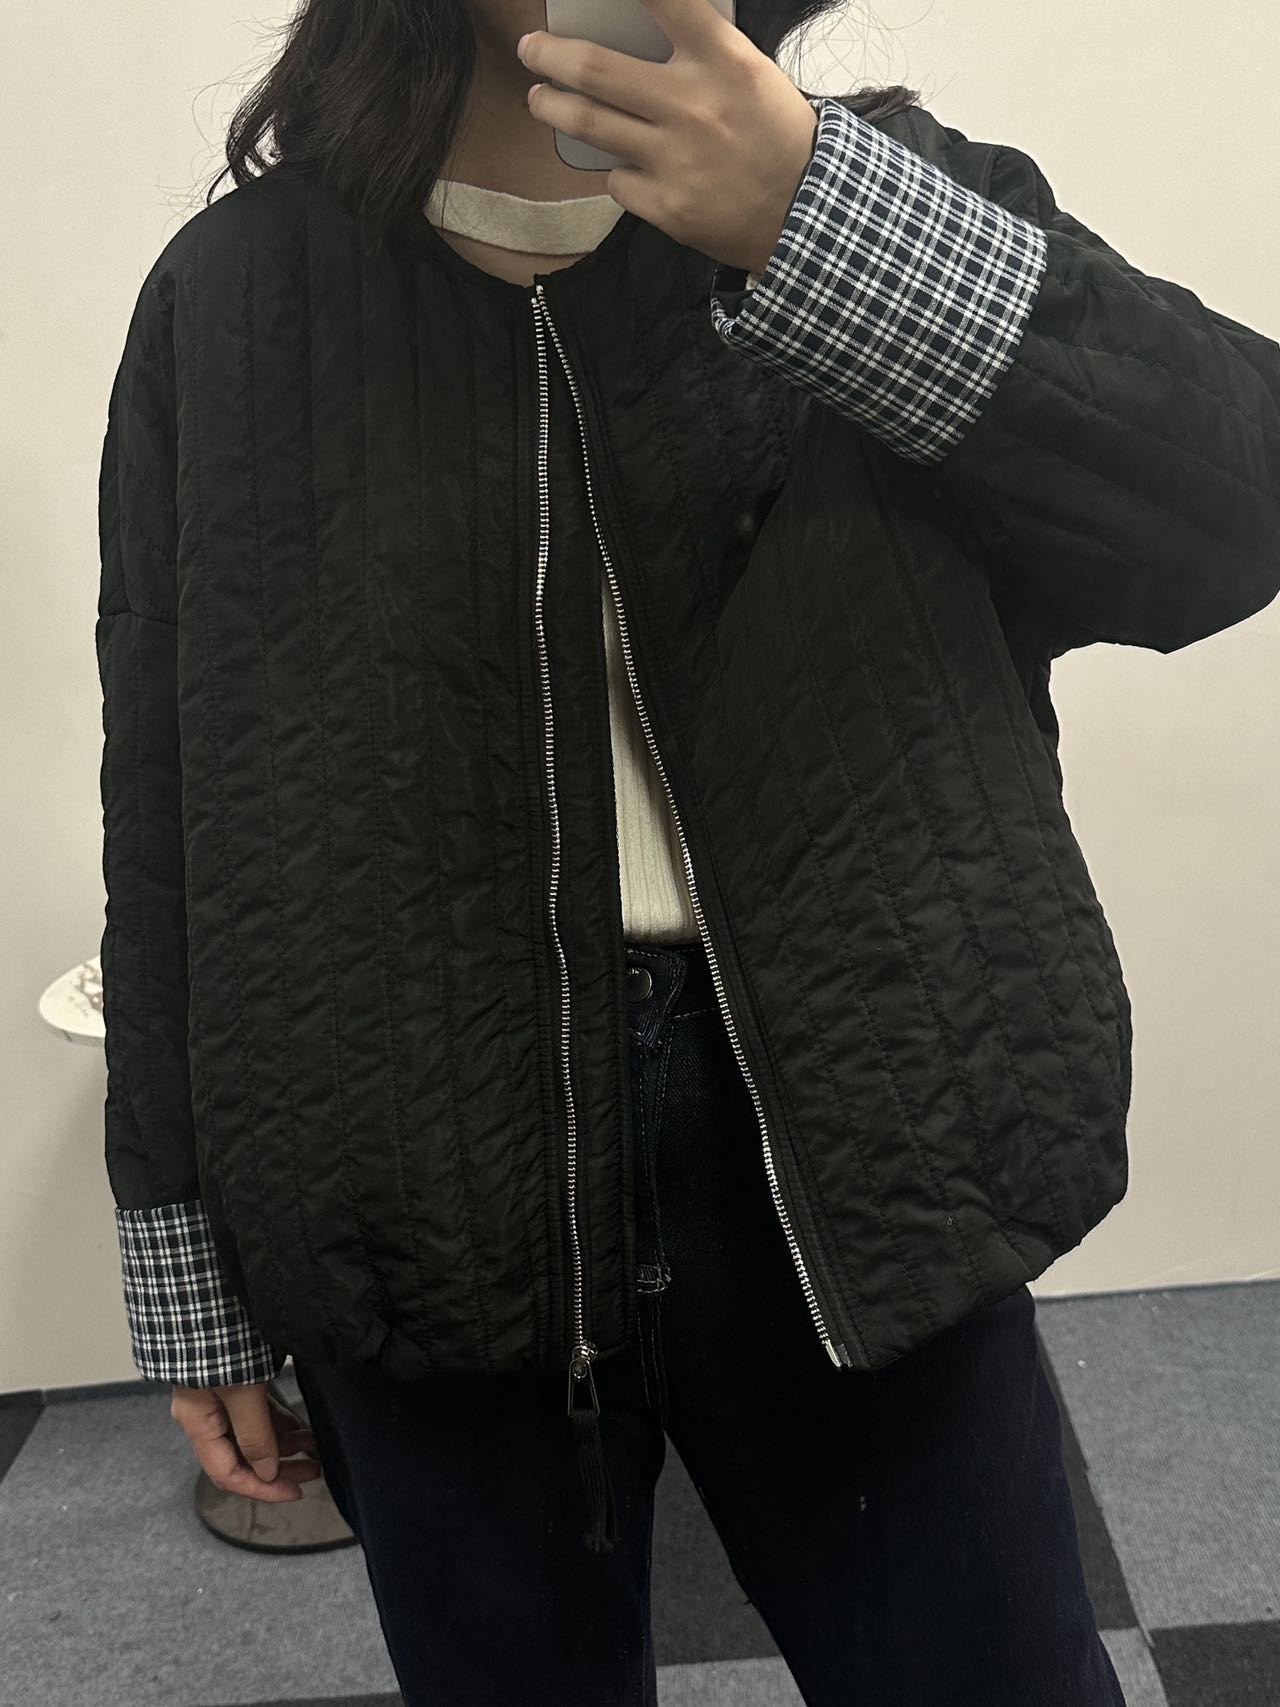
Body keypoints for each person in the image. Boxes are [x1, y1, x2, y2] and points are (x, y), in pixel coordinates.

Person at [94, 0, 1280, 1701]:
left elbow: (1232, 512)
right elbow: (171, 792)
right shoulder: (234, 300)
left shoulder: (877, 194)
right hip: (410, 1161)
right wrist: (184, 1264)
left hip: (858, 1131)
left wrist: (811, 215)